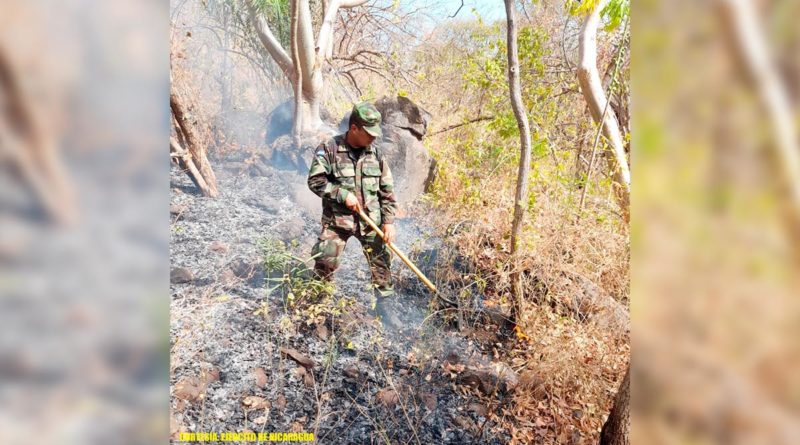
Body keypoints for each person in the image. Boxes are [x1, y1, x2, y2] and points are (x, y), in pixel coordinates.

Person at [307, 101, 399, 322]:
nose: (373, 138)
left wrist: (388, 222)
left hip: (371, 221)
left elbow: (386, 192)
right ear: (354, 128)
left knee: (381, 263)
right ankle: (316, 306)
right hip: (338, 221)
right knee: (325, 259)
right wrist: (341, 194)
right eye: (369, 133)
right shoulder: (329, 148)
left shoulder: (376, 155)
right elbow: (315, 181)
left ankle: (384, 308)